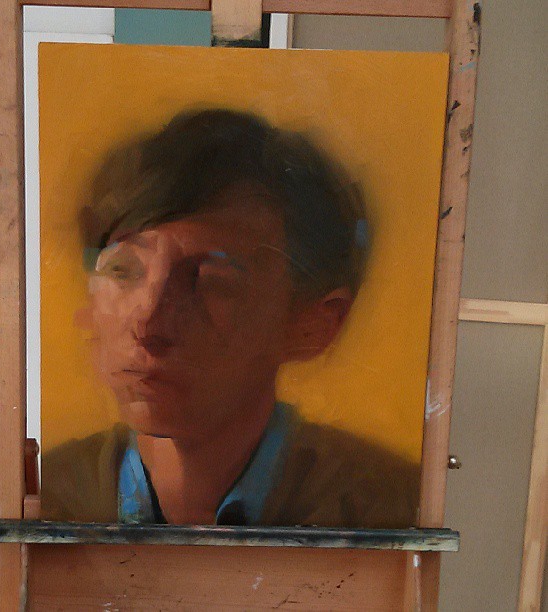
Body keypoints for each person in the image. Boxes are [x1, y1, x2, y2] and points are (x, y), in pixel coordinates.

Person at [42, 108, 419, 528]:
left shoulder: (389, 507)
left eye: (211, 282)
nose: (148, 324)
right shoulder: (47, 495)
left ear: (314, 324)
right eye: (122, 270)